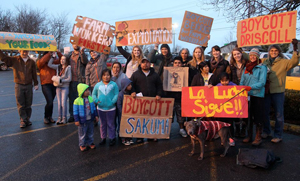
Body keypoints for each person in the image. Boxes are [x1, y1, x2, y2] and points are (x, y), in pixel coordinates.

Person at [261, 39, 300, 143]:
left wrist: (295, 48)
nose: (273, 52)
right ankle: (267, 131)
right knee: (265, 113)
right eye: (271, 50)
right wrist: (240, 48)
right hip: (267, 91)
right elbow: (252, 58)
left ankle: (278, 135)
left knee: (279, 114)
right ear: (269, 52)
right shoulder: (265, 62)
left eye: (275, 51)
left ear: (279, 52)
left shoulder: (284, 62)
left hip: (278, 91)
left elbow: (295, 61)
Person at [0, 50, 38, 128]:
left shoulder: (31, 62)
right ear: (19, 51)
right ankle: (23, 120)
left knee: (28, 104)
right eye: (23, 51)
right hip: (19, 85)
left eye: (26, 52)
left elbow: (34, 73)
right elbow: (4, 58)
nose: (24, 53)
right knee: (20, 104)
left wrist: (36, 83)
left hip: (28, 85)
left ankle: (27, 118)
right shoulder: (15, 60)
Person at [130, 58, 163, 142]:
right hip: (139, 101)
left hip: (152, 101)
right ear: (140, 64)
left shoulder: (155, 75)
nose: (145, 64)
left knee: (151, 119)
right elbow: (130, 85)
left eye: (147, 62)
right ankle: (139, 137)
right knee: (140, 119)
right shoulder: (135, 74)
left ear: (150, 64)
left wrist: (159, 94)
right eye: (143, 63)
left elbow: (159, 86)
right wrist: (132, 91)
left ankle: (151, 135)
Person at [240, 48, 267, 146]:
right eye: (251, 55)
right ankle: (249, 135)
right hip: (247, 95)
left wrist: (250, 87)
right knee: (248, 117)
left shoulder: (262, 67)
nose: (252, 57)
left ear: (257, 57)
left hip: (257, 95)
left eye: (254, 55)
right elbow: (242, 80)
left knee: (258, 117)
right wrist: (242, 87)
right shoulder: (246, 67)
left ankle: (258, 137)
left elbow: (262, 82)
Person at [92, 69, 119, 146]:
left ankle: (112, 138)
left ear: (110, 76)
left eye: (108, 75)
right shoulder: (98, 85)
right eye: (104, 75)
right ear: (102, 76)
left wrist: (112, 102)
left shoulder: (114, 85)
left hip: (111, 108)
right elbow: (93, 94)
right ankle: (103, 138)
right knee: (103, 124)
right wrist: (96, 101)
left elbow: (116, 94)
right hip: (100, 108)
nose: (106, 77)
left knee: (111, 124)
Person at [228, 47, 249, 137]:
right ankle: (236, 130)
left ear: (241, 54)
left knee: (245, 111)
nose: (237, 56)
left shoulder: (247, 65)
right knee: (236, 111)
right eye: (235, 54)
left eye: (238, 54)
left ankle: (243, 130)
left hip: (245, 90)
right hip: (235, 91)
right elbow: (228, 79)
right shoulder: (231, 66)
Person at [37, 51, 62, 124]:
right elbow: (40, 62)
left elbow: (62, 59)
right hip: (45, 84)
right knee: (50, 101)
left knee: (50, 102)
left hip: (53, 84)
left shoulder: (54, 62)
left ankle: (49, 116)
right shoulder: (42, 63)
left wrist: (57, 52)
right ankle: (46, 117)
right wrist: (49, 54)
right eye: (49, 55)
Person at [165, 56, 187, 137]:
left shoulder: (186, 72)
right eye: (175, 63)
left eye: (179, 63)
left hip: (180, 97)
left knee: (180, 115)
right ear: (173, 64)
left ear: (182, 64)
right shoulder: (168, 71)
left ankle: (181, 129)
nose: (177, 65)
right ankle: (167, 131)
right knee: (169, 115)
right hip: (170, 97)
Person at [66, 45, 88, 123]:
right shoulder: (69, 55)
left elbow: (85, 62)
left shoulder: (82, 54)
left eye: (77, 43)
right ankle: (72, 115)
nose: (76, 45)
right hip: (71, 80)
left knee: (81, 99)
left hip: (80, 80)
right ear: (72, 45)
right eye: (74, 43)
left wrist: (82, 52)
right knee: (72, 99)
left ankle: (82, 115)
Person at [74, 83, 98, 151]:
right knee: (82, 133)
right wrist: (76, 120)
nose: (88, 91)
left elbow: (93, 108)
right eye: (86, 90)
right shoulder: (77, 101)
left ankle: (90, 142)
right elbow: (75, 112)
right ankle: (82, 144)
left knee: (90, 132)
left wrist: (96, 116)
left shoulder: (90, 98)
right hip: (82, 121)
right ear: (81, 91)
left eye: (88, 90)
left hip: (90, 119)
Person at [48, 55, 72, 124]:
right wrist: (52, 57)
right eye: (61, 59)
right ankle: (59, 117)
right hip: (58, 87)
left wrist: (61, 80)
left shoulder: (68, 68)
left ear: (66, 60)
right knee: (59, 104)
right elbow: (49, 64)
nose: (62, 60)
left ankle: (64, 118)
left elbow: (69, 79)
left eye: (64, 59)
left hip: (65, 87)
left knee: (63, 103)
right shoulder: (58, 67)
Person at [216, 72, 236, 146]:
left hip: (230, 110)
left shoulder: (233, 86)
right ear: (220, 80)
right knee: (222, 125)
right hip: (221, 110)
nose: (224, 83)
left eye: (226, 81)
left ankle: (231, 139)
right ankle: (223, 139)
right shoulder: (217, 86)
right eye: (223, 81)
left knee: (230, 125)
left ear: (229, 80)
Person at [117, 78, 133, 145]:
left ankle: (129, 138)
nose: (131, 86)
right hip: (122, 114)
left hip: (128, 113)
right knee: (122, 125)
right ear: (125, 86)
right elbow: (119, 104)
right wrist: (122, 112)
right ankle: (123, 138)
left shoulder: (130, 93)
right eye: (129, 85)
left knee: (128, 125)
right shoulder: (120, 94)